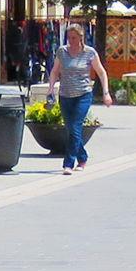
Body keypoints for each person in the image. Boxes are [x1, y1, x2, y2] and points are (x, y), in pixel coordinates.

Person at [46, 24, 112, 173]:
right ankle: (82, 157)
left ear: (81, 38)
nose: (71, 40)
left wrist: (106, 93)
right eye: (69, 38)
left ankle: (68, 164)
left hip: (83, 95)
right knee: (70, 129)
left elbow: (101, 72)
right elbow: (55, 71)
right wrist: (50, 88)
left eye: (74, 38)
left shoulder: (89, 53)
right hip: (65, 95)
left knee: (75, 127)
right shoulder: (62, 52)